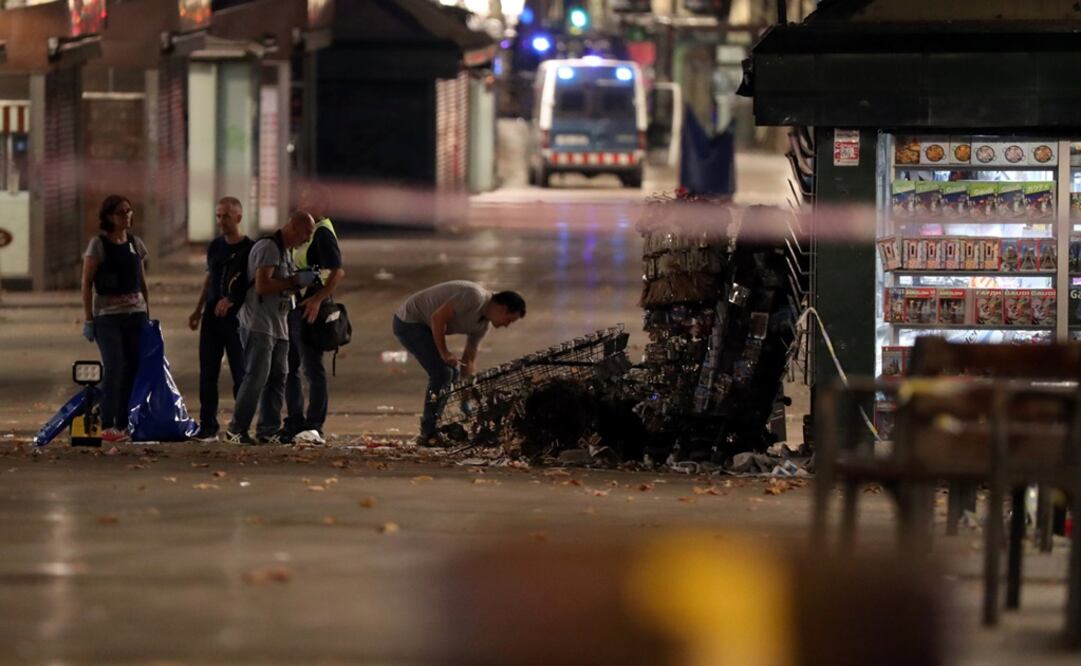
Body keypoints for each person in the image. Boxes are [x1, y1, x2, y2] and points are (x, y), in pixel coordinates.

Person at [221, 211, 318, 445]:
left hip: (279, 323)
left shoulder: (286, 252)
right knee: (256, 377)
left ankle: (268, 430)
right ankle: (237, 429)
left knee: (278, 378)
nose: (307, 239)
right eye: (307, 233)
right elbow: (263, 286)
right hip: (259, 323)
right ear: (294, 227)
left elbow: (281, 285)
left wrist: (298, 284)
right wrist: (292, 282)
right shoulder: (269, 247)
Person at [392, 281, 526, 445]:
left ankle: (434, 427)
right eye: (509, 320)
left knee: (453, 372)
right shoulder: (475, 297)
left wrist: (466, 393)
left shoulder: (482, 326)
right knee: (442, 374)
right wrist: (444, 353)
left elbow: (468, 360)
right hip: (410, 321)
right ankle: (428, 432)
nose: (507, 325)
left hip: (426, 325)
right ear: (503, 309)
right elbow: (438, 318)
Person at [80, 195, 149, 443]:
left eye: (129, 211)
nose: (127, 216)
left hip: (135, 315)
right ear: (109, 216)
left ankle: (123, 423)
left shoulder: (135, 243)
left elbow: (141, 281)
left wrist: (147, 313)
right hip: (108, 317)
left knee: (132, 368)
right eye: (121, 212)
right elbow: (87, 282)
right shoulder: (98, 245)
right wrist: (89, 319)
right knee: (115, 367)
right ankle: (107, 423)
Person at [187, 196, 253, 441]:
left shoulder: (250, 249)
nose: (221, 221)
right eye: (218, 216)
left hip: (238, 321)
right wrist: (198, 309)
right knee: (207, 373)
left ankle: (240, 427)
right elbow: (210, 278)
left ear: (238, 217)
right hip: (212, 320)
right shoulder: (215, 247)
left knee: (240, 373)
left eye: (226, 216)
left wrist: (233, 300)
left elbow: (254, 284)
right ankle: (208, 426)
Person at [284, 186, 345, 445]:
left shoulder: (322, 232)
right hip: (298, 304)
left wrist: (317, 300)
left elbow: (336, 272)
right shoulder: (309, 231)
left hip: (312, 307)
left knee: (312, 367)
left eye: (308, 200)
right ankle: (295, 421)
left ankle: (314, 424)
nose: (302, 204)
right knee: (292, 366)